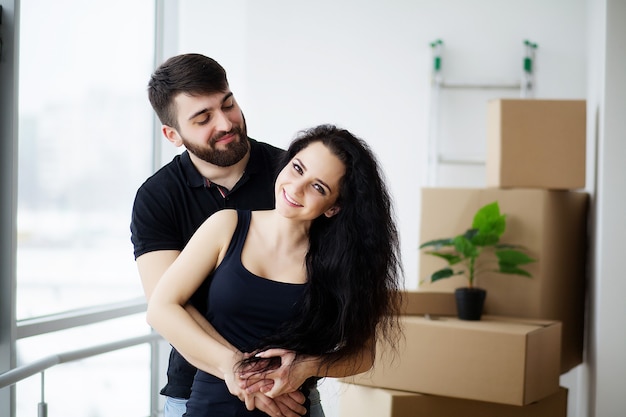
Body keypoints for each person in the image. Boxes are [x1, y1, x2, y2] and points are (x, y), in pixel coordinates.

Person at [146, 124, 403, 417]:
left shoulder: (344, 262)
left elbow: (362, 354)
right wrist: (234, 367)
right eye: (297, 168)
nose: (296, 187)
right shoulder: (226, 225)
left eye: (318, 187)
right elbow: (161, 308)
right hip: (212, 407)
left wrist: (305, 366)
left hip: (293, 409)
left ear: (334, 207)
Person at [131, 53, 308, 417]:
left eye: (228, 104)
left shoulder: (289, 177)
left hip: (288, 391)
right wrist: (241, 370)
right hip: (193, 391)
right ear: (172, 135)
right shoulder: (157, 197)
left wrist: (282, 373)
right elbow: (166, 306)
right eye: (203, 118)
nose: (226, 122)